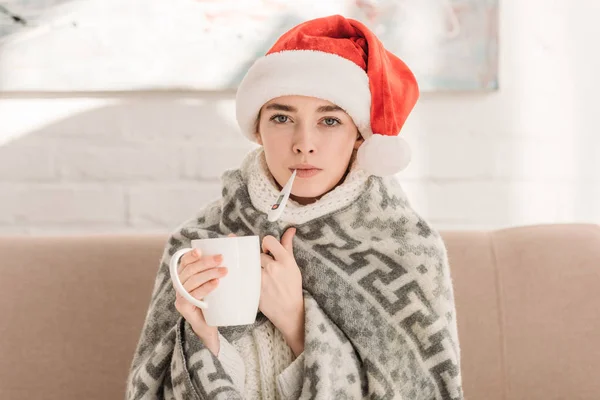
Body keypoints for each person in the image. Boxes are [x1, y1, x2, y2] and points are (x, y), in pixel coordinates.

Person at [126, 14, 463, 400]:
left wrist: (296, 323)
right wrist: (203, 339)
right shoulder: (198, 241)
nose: (304, 143)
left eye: (330, 120)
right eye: (282, 117)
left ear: (359, 136)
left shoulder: (407, 249)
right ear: (259, 128)